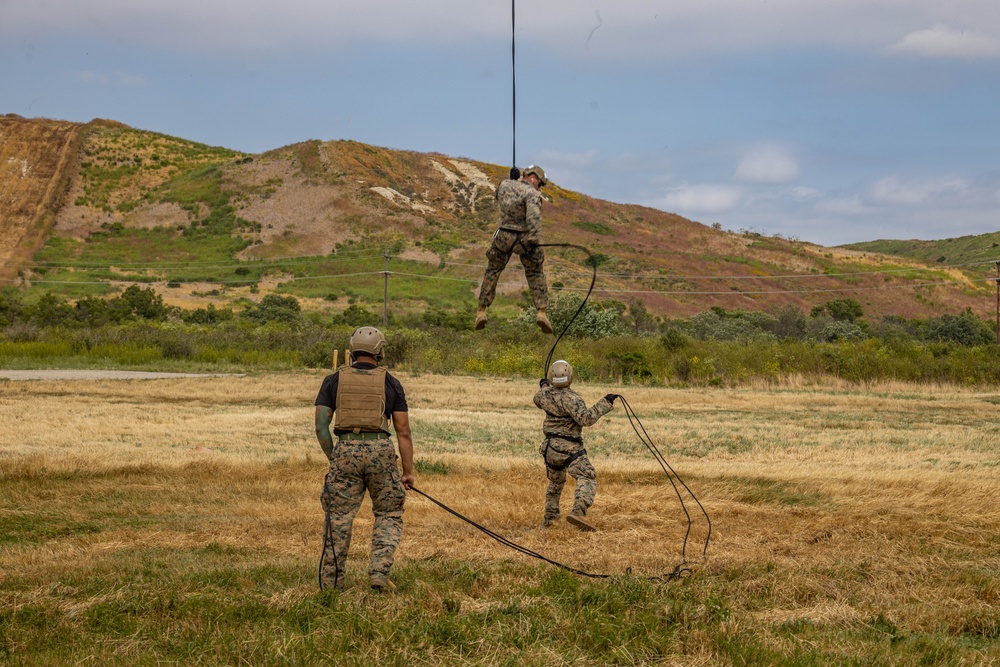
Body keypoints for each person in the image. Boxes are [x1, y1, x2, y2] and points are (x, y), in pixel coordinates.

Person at [314, 326, 415, 591]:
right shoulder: (391, 382)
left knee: (338, 517)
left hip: (345, 449)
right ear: (380, 351)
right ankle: (379, 572)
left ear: (352, 349)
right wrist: (408, 472)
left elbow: (321, 427)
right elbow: (403, 431)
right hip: (381, 450)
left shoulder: (333, 380)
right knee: (389, 512)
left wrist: (334, 456)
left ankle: (331, 585)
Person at [533, 360, 619, 531]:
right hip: (568, 447)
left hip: (549, 448)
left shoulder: (543, 395)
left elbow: (539, 397)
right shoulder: (573, 398)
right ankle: (578, 512)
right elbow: (585, 419)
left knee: (556, 483)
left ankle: (550, 520)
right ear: (570, 376)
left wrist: (544, 385)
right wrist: (606, 402)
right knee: (587, 476)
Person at [476, 165, 553, 334]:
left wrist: (511, 180)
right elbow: (534, 218)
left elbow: (497, 196)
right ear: (534, 179)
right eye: (540, 184)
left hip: (503, 236)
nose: (539, 187)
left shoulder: (504, 185)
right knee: (535, 273)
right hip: (524, 240)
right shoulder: (533, 193)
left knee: (493, 271)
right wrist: (533, 241)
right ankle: (541, 312)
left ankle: (481, 311)